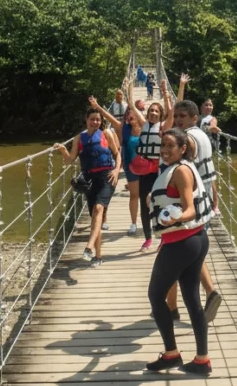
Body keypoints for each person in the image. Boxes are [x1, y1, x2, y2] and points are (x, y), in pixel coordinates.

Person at [145, 127, 214, 376]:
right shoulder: (178, 168)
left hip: (181, 242)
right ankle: (202, 360)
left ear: (182, 149)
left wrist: (173, 219)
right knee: (192, 299)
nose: (164, 150)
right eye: (162, 146)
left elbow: (190, 210)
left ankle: (171, 354)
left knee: (156, 296)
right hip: (195, 240)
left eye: (170, 146)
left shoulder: (181, 171)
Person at [161, 77, 223, 323]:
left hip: (190, 200)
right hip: (203, 199)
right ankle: (205, 294)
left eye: (182, 117)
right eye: (176, 116)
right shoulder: (202, 133)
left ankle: (175, 307)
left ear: (194, 118)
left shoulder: (188, 138)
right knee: (192, 251)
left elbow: (191, 150)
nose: (177, 120)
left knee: (175, 251)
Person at [53, 108, 121, 266]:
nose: (95, 122)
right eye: (92, 119)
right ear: (86, 119)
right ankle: (98, 256)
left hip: (107, 177)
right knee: (95, 217)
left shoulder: (106, 134)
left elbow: (117, 154)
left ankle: (89, 246)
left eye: (98, 120)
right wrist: (63, 150)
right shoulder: (79, 138)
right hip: (89, 180)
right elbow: (70, 160)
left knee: (98, 208)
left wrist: (117, 171)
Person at [90, 88, 141, 236]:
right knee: (134, 195)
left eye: (133, 113)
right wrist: (97, 107)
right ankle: (133, 223)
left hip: (147, 166)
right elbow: (108, 116)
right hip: (131, 166)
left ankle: (149, 222)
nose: (130, 116)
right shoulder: (122, 128)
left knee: (147, 196)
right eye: (128, 114)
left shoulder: (145, 126)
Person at [130, 80, 164, 251]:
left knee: (160, 203)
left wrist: (167, 92)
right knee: (145, 204)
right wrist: (129, 88)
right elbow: (131, 105)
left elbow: (173, 110)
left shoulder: (163, 126)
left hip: (159, 171)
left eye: (156, 111)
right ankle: (148, 238)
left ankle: (163, 237)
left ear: (160, 114)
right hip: (145, 170)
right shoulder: (143, 124)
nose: (153, 113)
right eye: (151, 110)